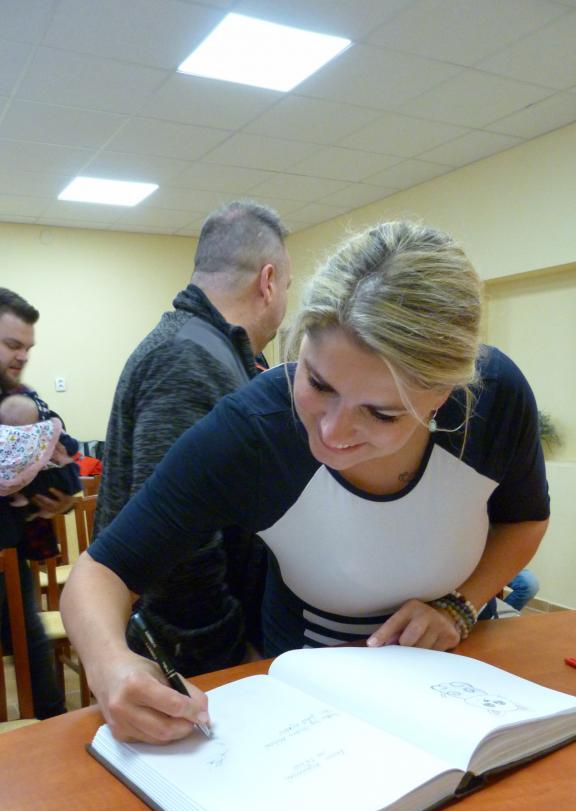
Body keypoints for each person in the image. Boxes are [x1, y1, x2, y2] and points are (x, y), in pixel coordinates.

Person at [61, 220, 549, 744]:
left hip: (462, 672)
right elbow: (100, 572)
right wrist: (111, 665)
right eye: (318, 383)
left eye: (381, 413)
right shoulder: (255, 430)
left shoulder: (495, 398)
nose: (333, 433)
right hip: (310, 700)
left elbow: (525, 522)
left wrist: (460, 606)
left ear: (443, 395)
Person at [93, 200, 291, 676]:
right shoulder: (189, 358)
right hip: (189, 658)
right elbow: (177, 547)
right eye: (288, 286)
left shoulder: (207, 349)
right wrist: (226, 653)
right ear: (267, 282)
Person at [0, 288, 76, 718]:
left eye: (28, 348)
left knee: (39, 676)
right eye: (13, 345)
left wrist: (61, 499)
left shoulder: (26, 399)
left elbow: (67, 461)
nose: (23, 356)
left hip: (13, 563)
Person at [0, 392, 80, 514]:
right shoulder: (36, 413)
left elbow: (66, 456)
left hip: (27, 514)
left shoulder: (32, 410)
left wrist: (66, 503)